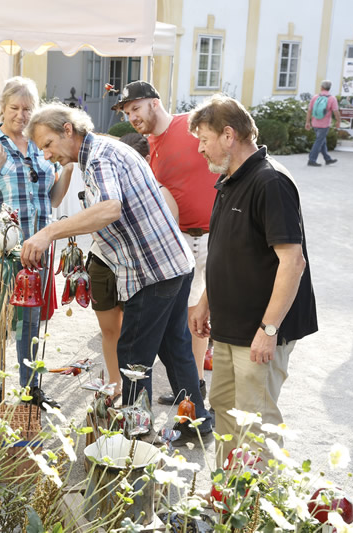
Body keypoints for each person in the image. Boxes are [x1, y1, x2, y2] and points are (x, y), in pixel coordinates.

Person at [21, 103, 213, 441]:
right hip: (172, 265)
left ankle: (137, 434)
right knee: (175, 349)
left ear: (68, 130)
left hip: (154, 271)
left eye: (48, 144)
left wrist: (50, 232)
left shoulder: (98, 158)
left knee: (134, 357)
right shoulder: (102, 151)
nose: (47, 155)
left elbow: (110, 208)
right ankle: (196, 423)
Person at [187, 95, 318, 459]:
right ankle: (226, 504)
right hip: (230, 327)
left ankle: (258, 511)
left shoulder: (270, 182)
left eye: (204, 139)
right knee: (226, 414)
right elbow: (230, 252)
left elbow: (293, 262)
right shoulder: (229, 180)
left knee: (256, 425)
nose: (200, 149)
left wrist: (269, 329)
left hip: (261, 332)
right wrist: (205, 301)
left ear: (228, 135)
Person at [0, 76, 73, 409]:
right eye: (15, 108)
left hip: (37, 250)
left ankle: (30, 391)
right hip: (4, 253)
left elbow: (52, 200)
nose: (21, 115)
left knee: (31, 324)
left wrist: (67, 168)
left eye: (28, 109)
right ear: (2, 107)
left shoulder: (41, 148)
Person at [115, 80, 219, 408]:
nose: (132, 116)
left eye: (135, 108)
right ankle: (194, 388)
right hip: (181, 241)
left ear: (154, 103)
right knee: (190, 317)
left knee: (216, 313)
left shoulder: (189, 126)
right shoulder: (147, 147)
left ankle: (217, 392)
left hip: (215, 233)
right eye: (127, 112)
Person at [85, 132, 179, 400]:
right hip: (103, 263)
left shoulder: (158, 193)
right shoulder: (102, 183)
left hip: (140, 270)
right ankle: (115, 383)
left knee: (135, 334)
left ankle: (134, 393)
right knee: (110, 329)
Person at [305, 80, 341, 167]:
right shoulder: (332, 98)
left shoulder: (315, 97)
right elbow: (336, 111)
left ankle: (327, 159)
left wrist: (307, 122)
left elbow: (309, 110)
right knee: (319, 141)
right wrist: (338, 121)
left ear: (321, 87)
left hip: (315, 123)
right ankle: (312, 160)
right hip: (324, 124)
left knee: (322, 141)